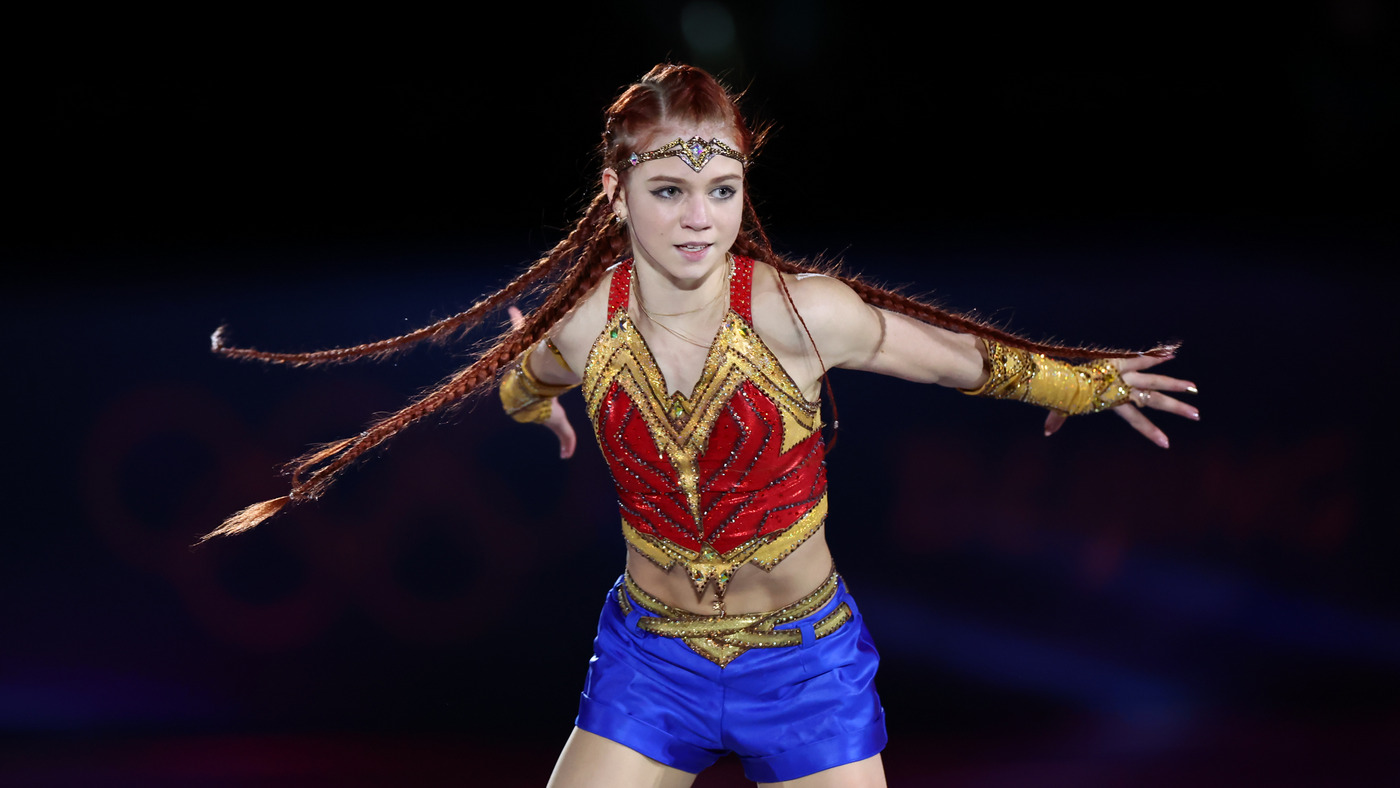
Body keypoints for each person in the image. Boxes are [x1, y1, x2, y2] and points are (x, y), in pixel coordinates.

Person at [206, 64, 1198, 787]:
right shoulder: (583, 326)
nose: (698, 219)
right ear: (616, 192)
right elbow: (522, 375)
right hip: (652, 662)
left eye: (721, 191)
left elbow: (957, 360)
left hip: (804, 665)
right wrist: (534, 403)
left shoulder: (801, 313)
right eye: (669, 191)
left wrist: (1084, 386)